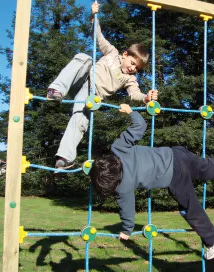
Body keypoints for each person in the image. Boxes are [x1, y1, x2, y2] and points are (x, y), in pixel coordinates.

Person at [89, 104, 214, 260]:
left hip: (174, 176)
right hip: (176, 154)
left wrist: (127, 230)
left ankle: (213, 240)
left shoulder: (122, 187)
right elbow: (139, 125)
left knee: (189, 207)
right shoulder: (118, 148)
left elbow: (127, 210)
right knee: (205, 167)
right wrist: (130, 111)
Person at [46, 2, 158, 169]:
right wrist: (94, 17)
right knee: (84, 58)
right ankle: (56, 90)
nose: (133, 68)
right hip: (82, 78)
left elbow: (135, 94)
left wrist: (146, 98)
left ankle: (64, 158)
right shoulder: (112, 53)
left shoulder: (130, 79)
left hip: (91, 94)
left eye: (137, 68)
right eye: (133, 63)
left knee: (80, 117)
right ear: (125, 54)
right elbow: (98, 37)